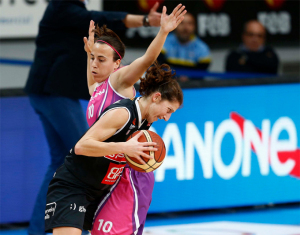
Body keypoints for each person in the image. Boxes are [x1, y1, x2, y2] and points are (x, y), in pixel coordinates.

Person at [24, 1, 162, 234]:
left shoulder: (99, 87)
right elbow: (99, 16)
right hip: (53, 93)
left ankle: (41, 228)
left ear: (116, 63)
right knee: (81, 154)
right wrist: (148, 22)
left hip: (47, 92)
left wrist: (89, 52)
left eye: (100, 58)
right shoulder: (62, 6)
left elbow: (139, 61)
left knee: (60, 159)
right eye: (93, 58)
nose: (94, 63)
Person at [44, 62, 184, 235]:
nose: (167, 117)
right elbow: (81, 146)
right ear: (156, 97)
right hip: (74, 186)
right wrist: (125, 147)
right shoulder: (123, 113)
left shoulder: (144, 121)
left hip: (99, 191)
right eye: (168, 110)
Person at [157, 12, 211, 82]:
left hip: (192, 87)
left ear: (195, 27)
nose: (185, 28)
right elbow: (156, 67)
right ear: (175, 25)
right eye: (181, 23)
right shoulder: (163, 42)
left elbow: (201, 74)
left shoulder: (202, 49)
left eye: (189, 24)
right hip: (166, 84)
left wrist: (189, 78)